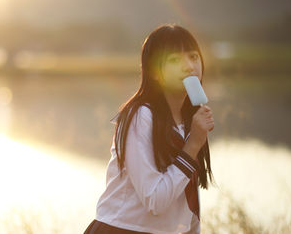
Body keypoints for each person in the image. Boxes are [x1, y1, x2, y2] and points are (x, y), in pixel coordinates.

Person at [84, 24, 216, 234]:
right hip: (121, 229)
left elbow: (186, 196)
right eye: (174, 60)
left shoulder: (190, 120)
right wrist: (192, 145)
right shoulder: (140, 116)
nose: (189, 66)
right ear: (154, 72)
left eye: (194, 57)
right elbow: (155, 200)